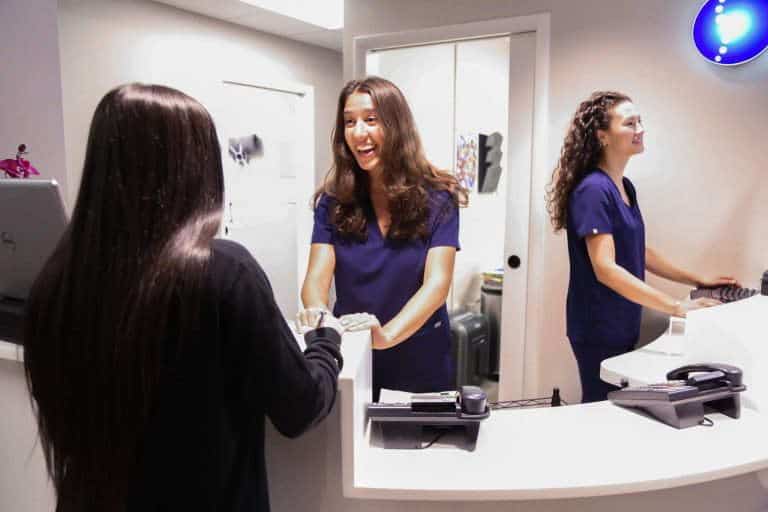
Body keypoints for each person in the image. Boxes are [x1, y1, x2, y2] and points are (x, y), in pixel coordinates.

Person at [23, 83, 344, 512]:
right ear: (199, 168)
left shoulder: (56, 281)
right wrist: (325, 344)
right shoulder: (225, 272)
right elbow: (299, 407)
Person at [546, 90, 737, 403]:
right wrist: (677, 307)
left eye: (640, 121)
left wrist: (697, 281)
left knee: (613, 408)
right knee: (599, 410)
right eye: (630, 123)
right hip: (598, 327)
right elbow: (605, 268)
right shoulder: (593, 190)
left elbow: (639, 250)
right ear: (602, 136)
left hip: (622, 322)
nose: (640, 129)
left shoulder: (623, 186)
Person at [300, 76, 466, 401]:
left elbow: (437, 285)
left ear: (396, 125)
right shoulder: (332, 203)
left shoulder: (439, 198)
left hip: (421, 356)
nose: (358, 133)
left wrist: (385, 336)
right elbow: (315, 281)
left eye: (371, 120)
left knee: (421, 446)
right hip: (354, 355)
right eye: (349, 122)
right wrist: (318, 314)